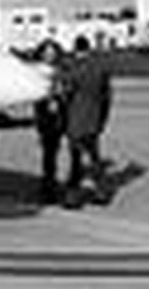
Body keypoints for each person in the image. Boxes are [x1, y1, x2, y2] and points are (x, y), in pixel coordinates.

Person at [62, 35, 114, 207]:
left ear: (75, 49)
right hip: (94, 120)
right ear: (88, 48)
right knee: (94, 158)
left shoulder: (74, 69)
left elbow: (67, 93)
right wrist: (102, 120)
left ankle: (73, 196)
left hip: (76, 121)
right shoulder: (100, 68)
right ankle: (102, 192)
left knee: (76, 160)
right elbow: (107, 97)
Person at [30, 41, 67, 206]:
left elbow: (64, 88)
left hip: (59, 113)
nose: (50, 55)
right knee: (49, 153)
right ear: (41, 53)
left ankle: (50, 185)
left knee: (54, 151)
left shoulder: (60, 69)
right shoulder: (37, 69)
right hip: (45, 114)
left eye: (52, 52)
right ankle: (48, 188)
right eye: (47, 52)